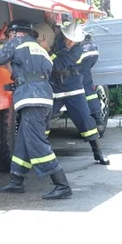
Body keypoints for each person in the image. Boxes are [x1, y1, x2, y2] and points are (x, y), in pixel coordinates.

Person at [0, 19, 72, 200]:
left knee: (36, 142)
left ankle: (62, 184)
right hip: (43, 97)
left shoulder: (17, 42)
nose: (9, 37)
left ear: (15, 33)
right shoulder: (41, 49)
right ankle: (16, 181)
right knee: (24, 141)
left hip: (31, 97)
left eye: (9, 34)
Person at [45, 21, 110, 165]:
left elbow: (56, 65)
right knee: (44, 119)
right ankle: (41, 151)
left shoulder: (78, 50)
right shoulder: (56, 41)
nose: (70, 42)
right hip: (55, 87)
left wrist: (50, 55)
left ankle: (98, 154)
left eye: (73, 40)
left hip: (74, 88)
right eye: (68, 38)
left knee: (86, 120)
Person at [79, 32, 104, 128]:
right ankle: (97, 117)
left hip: (85, 53)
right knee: (87, 81)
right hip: (92, 50)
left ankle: (96, 118)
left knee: (86, 85)